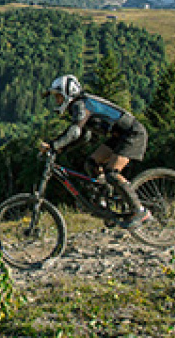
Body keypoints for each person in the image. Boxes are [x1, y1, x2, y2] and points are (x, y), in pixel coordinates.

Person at [39, 74, 152, 229]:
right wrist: (60, 149)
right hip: (119, 136)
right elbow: (84, 137)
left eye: (58, 96)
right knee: (91, 163)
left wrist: (53, 145)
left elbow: (74, 132)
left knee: (112, 172)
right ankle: (106, 206)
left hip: (132, 133)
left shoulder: (81, 105)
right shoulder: (79, 106)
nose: (57, 101)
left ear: (68, 93)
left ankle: (140, 211)